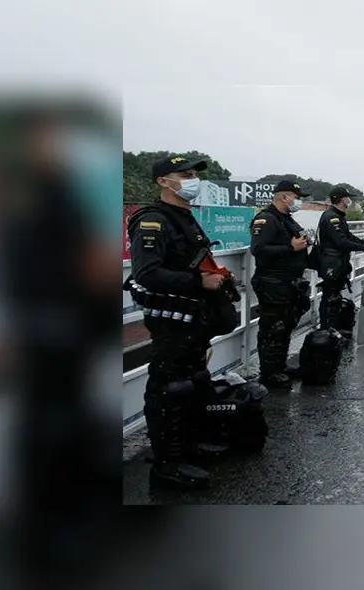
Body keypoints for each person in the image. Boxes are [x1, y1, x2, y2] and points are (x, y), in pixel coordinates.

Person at [127, 155, 231, 489]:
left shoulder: (183, 216)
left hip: (193, 317)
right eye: (184, 175)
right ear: (163, 181)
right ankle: (167, 464)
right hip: (172, 320)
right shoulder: (153, 221)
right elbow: (148, 273)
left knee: (194, 381)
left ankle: (188, 446)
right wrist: (198, 282)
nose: (191, 180)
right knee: (169, 389)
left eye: (192, 175)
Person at [249, 179, 312, 389]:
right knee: (272, 327)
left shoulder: (287, 219)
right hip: (271, 281)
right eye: (296, 197)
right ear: (284, 197)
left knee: (285, 325)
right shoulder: (266, 219)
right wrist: (289, 247)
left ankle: (280, 365)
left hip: (289, 281)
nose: (298, 201)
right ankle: (268, 372)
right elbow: (259, 249)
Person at [312, 186, 364, 334]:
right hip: (331, 263)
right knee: (330, 297)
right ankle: (326, 330)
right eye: (348, 198)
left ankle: (332, 329)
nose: (349, 200)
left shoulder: (337, 216)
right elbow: (341, 241)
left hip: (337, 262)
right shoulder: (332, 217)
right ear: (342, 199)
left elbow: (348, 237)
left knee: (334, 296)